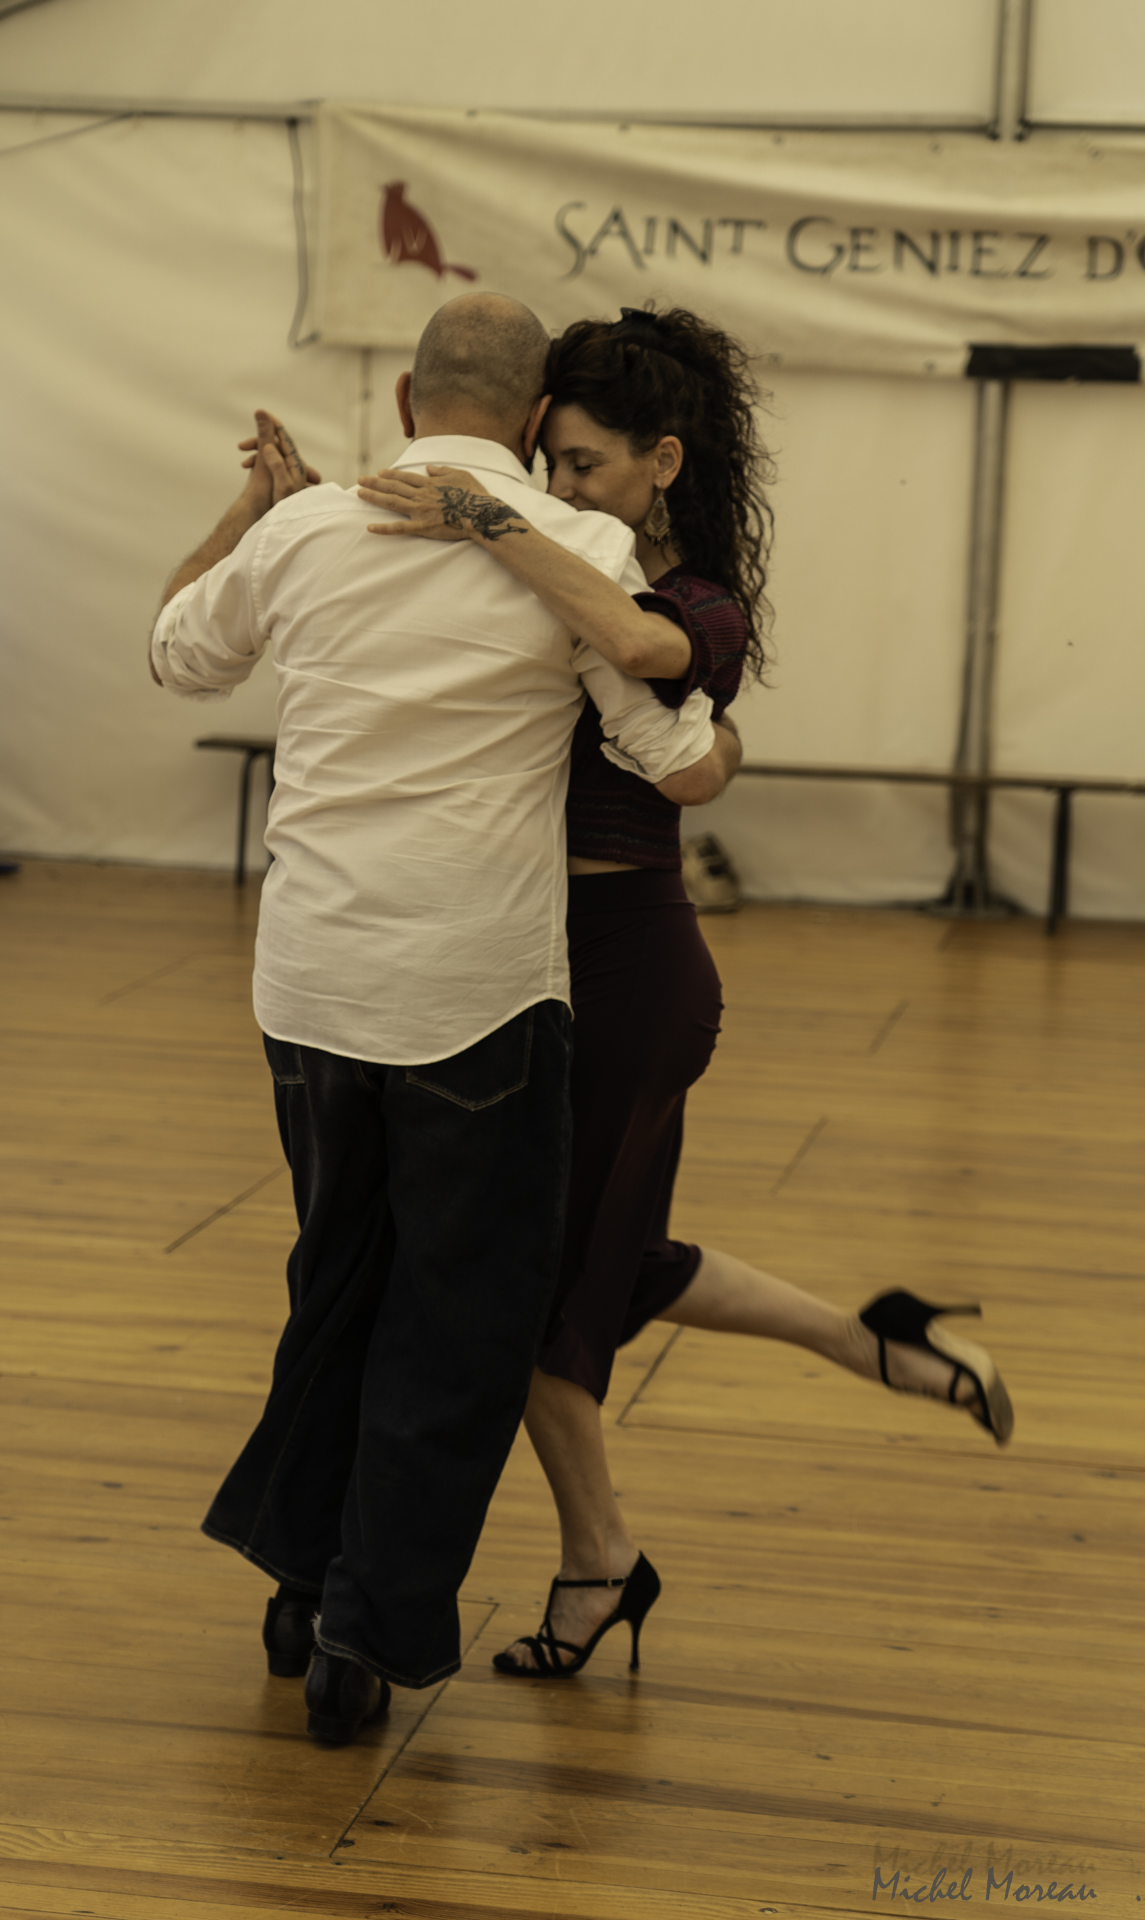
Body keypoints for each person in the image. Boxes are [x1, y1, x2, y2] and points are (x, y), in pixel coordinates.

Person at [357, 304, 1014, 1678]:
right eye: (552, 459)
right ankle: (880, 1342)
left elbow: (644, 658)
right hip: (531, 959)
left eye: (587, 465)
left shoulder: (689, 600)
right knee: (620, 1261)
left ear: (661, 462)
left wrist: (480, 513)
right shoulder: (543, 559)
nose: (563, 487)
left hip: (630, 969)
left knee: (541, 1303)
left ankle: (599, 1566)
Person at [147, 292, 728, 1745]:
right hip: (474, 991)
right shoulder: (581, 547)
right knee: (456, 1313)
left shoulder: (307, 528)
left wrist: (252, 508)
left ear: (409, 401)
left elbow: (178, 652)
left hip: (311, 981)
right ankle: (362, 1627)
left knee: (336, 1273)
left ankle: (295, 1581)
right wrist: (708, 727)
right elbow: (669, 754)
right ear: (537, 423)